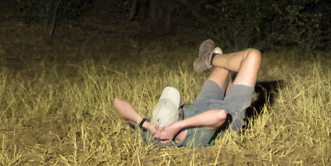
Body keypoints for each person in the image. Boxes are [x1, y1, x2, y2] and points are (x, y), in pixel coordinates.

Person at [112, 40, 262, 149]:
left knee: (225, 64)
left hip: (203, 103)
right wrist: (178, 126)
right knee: (252, 56)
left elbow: (117, 103)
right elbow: (220, 115)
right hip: (230, 112)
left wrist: (146, 124)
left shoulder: (154, 135)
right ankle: (209, 58)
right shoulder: (195, 138)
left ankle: (213, 62)